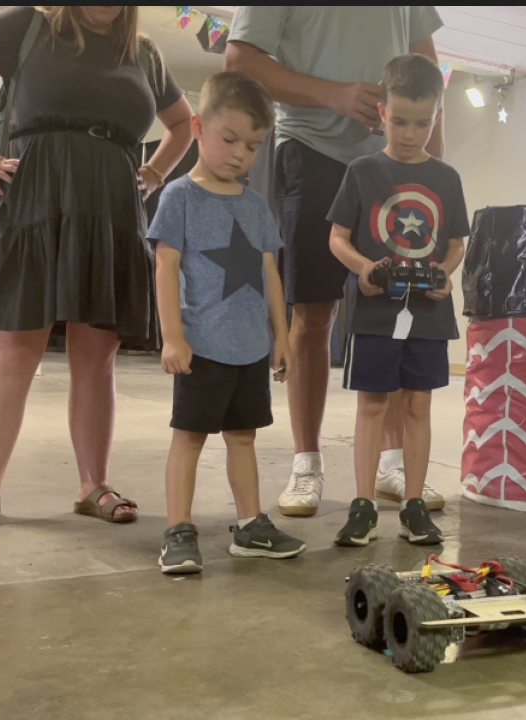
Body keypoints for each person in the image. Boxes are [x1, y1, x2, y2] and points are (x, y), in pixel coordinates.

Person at [0, 6, 193, 530]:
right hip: (32, 199)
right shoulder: (28, 26)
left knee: (97, 354)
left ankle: (93, 484)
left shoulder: (146, 53)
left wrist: (156, 171)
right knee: (16, 348)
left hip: (110, 206)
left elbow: (183, 123)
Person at [224, 7, 448, 518]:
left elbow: (430, 72)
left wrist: (433, 173)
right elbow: (239, 60)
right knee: (313, 311)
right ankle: (307, 461)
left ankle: (393, 461)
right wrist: (334, 94)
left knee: (399, 306)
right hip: (314, 148)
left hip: (395, 163)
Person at [152, 72, 306, 573]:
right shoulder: (179, 197)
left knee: (244, 436)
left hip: (250, 348)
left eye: (254, 145)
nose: (241, 154)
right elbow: (166, 267)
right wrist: (173, 335)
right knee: (189, 437)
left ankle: (250, 525)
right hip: (202, 346)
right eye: (230, 139)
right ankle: (179, 528)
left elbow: (270, 273)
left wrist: (281, 336)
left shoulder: (256, 205)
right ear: (197, 126)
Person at [326, 54, 468, 547]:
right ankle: (362, 505)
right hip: (374, 310)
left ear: (437, 117)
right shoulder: (362, 171)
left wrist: (445, 276)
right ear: (382, 111)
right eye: (401, 121)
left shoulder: (447, 179)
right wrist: (364, 267)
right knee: (371, 405)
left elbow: (455, 244)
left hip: (427, 315)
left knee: (419, 407)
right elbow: (337, 238)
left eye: (423, 123)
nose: (411, 133)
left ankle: (413, 506)